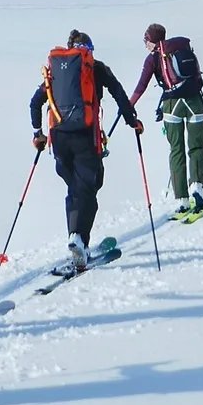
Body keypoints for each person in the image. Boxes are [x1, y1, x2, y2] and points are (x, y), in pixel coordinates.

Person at [31, 29, 139, 270]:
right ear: (88, 50)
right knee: (89, 187)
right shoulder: (95, 67)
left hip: (58, 140)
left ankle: (76, 239)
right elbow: (119, 94)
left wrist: (38, 133)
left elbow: (35, 102)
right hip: (84, 137)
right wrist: (133, 122)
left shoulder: (56, 70)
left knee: (76, 188)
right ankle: (78, 239)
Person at [129, 22, 203, 212]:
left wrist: (128, 105)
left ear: (151, 40)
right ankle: (196, 185)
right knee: (196, 147)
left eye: (145, 40)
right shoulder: (182, 49)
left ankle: (182, 199)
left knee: (176, 150)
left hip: (172, 106)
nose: (145, 44)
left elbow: (141, 86)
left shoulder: (153, 59)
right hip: (195, 103)